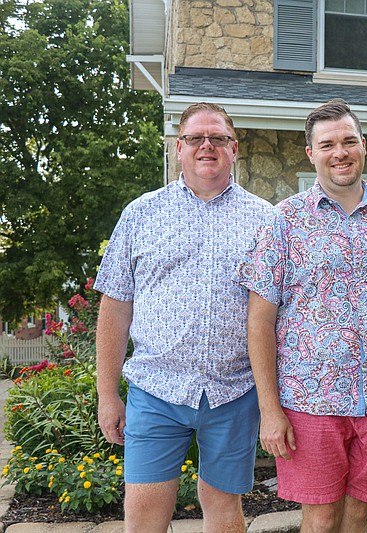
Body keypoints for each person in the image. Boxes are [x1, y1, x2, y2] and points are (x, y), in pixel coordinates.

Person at [236, 99, 367, 532]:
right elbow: (260, 320)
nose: (340, 152)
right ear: (311, 154)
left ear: (364, 146)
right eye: (328, 144)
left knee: (358, 516)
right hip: (309, 403)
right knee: (321, 518)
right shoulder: (285, 221)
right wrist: (269, 409)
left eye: (349, 141)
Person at [94, 102, 273, 532]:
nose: (206, 145)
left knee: (224, 508)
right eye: (195, 137)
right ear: (179, 147)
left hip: (234, 391)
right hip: (157, 390)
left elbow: (273, 315)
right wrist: (107, 394)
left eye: (218, 138)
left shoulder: (266, 220)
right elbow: (115, 308)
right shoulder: (140, 214)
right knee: (143, 515)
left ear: (234, 149)